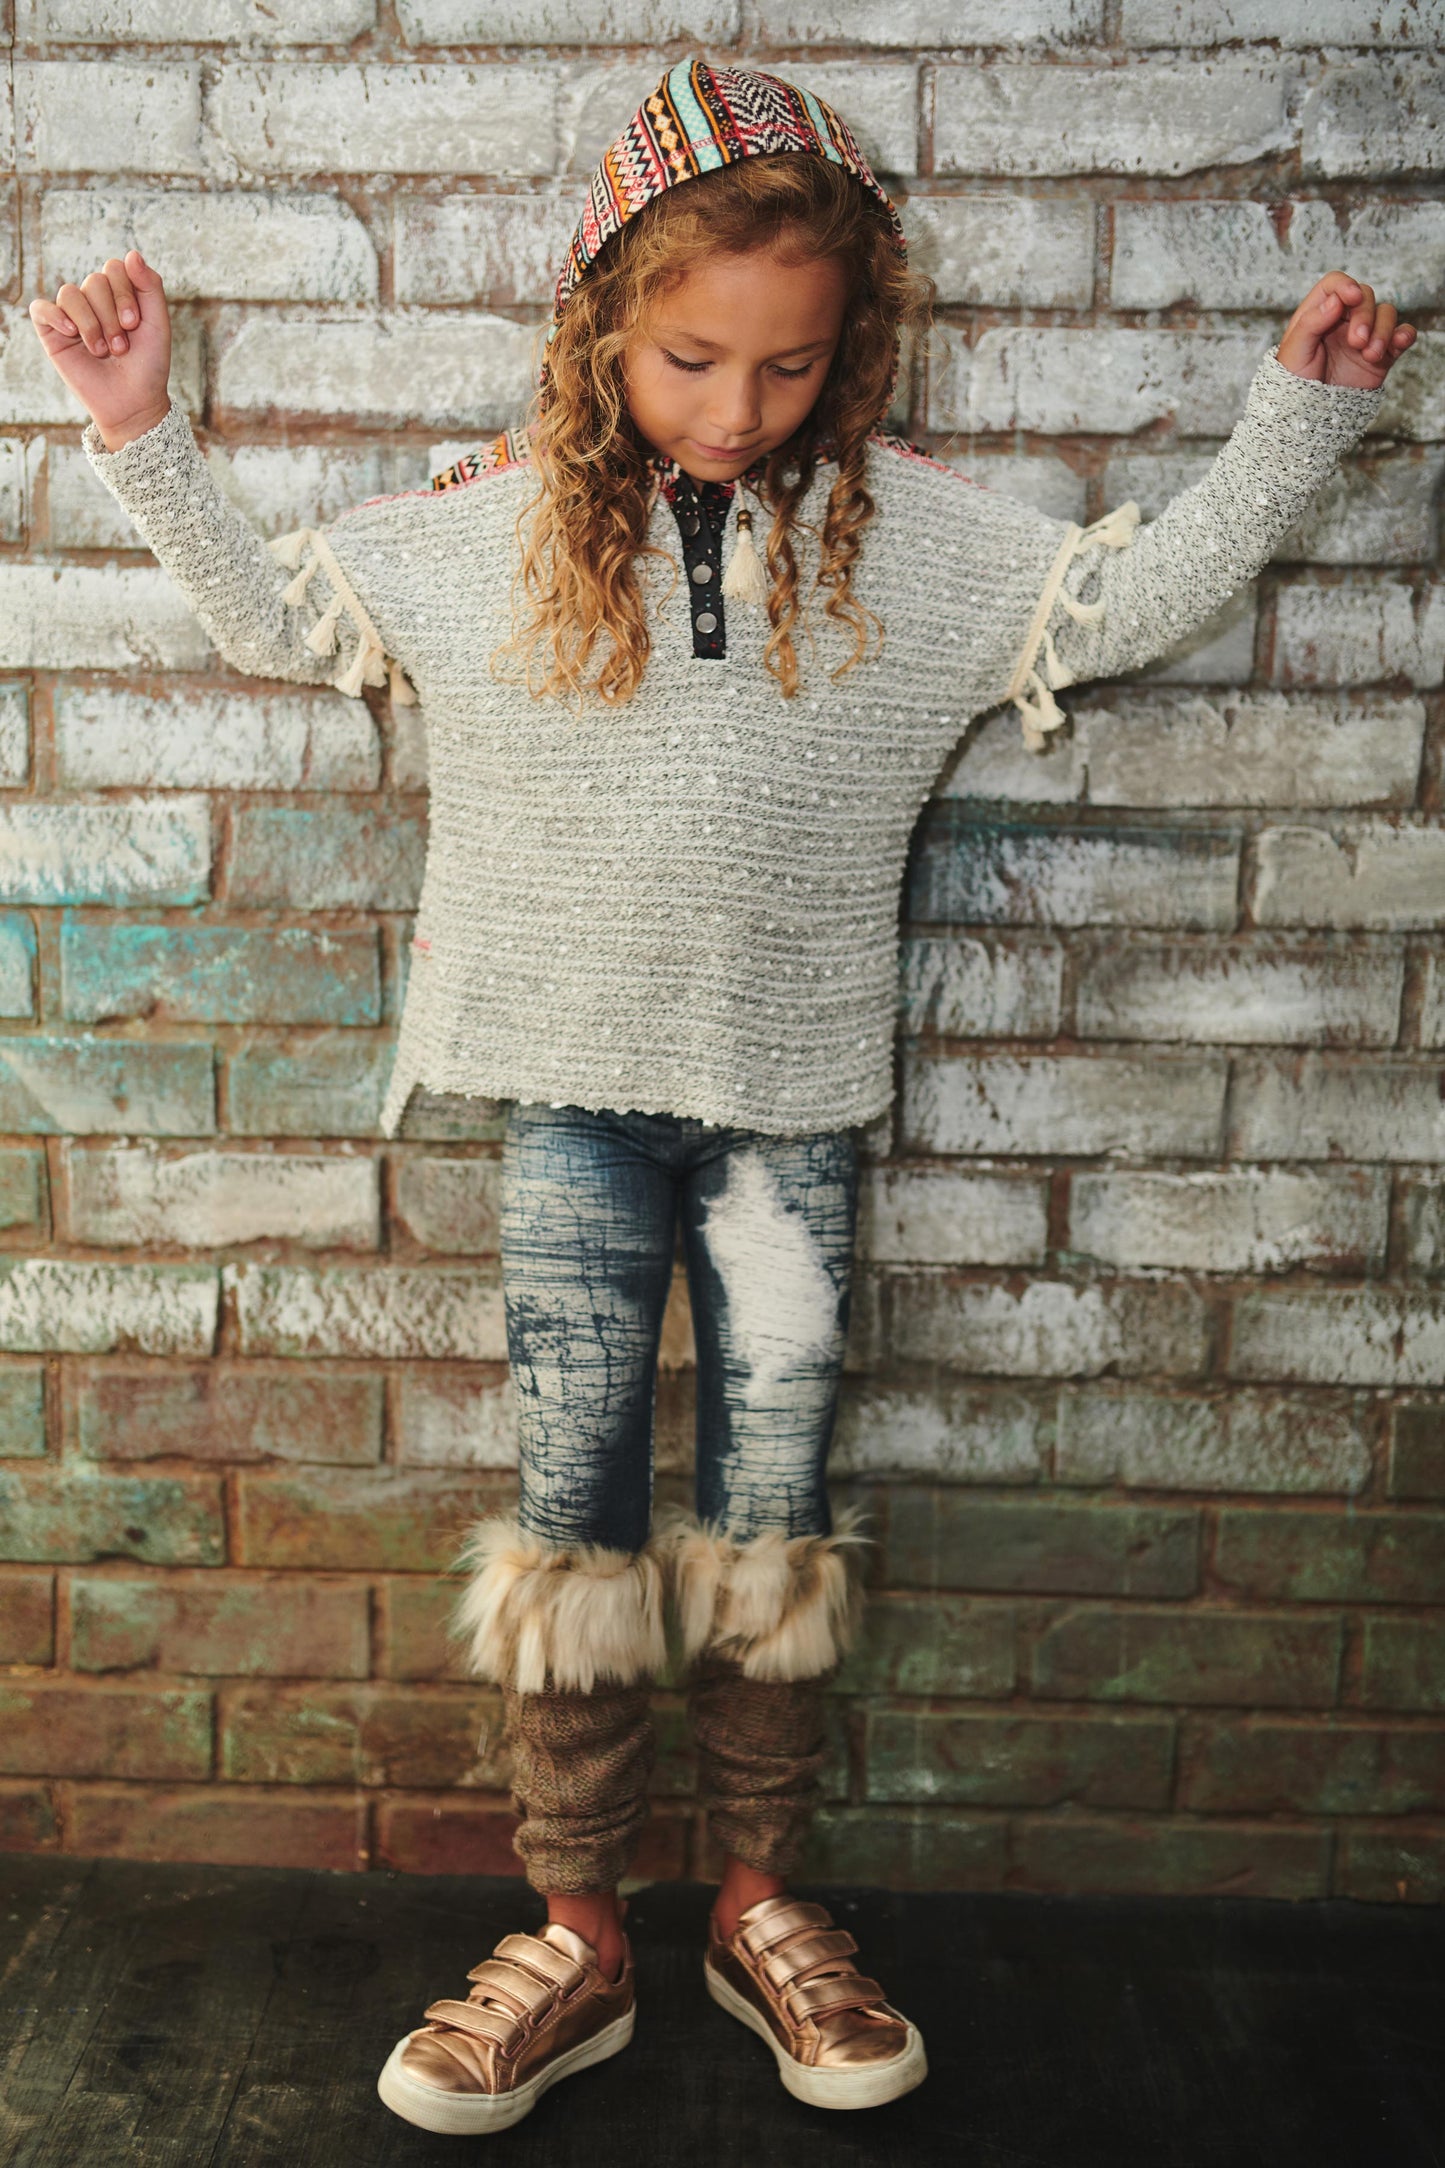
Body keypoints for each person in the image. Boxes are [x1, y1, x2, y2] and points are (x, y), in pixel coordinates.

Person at [32, 53, 1415, 2140]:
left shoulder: (909, 541)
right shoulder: (492, 526)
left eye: (789, 364)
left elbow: (1121, 603)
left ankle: (759, 1903)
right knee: (573, 1518)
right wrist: (140, 425)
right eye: (690, 358)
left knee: (774, 1517)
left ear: (849, 348)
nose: (738, 406)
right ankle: (578, 1930)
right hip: (568, 1108)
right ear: (604, 319)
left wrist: (1295, 419)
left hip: (788, 1114)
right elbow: (279, 615)